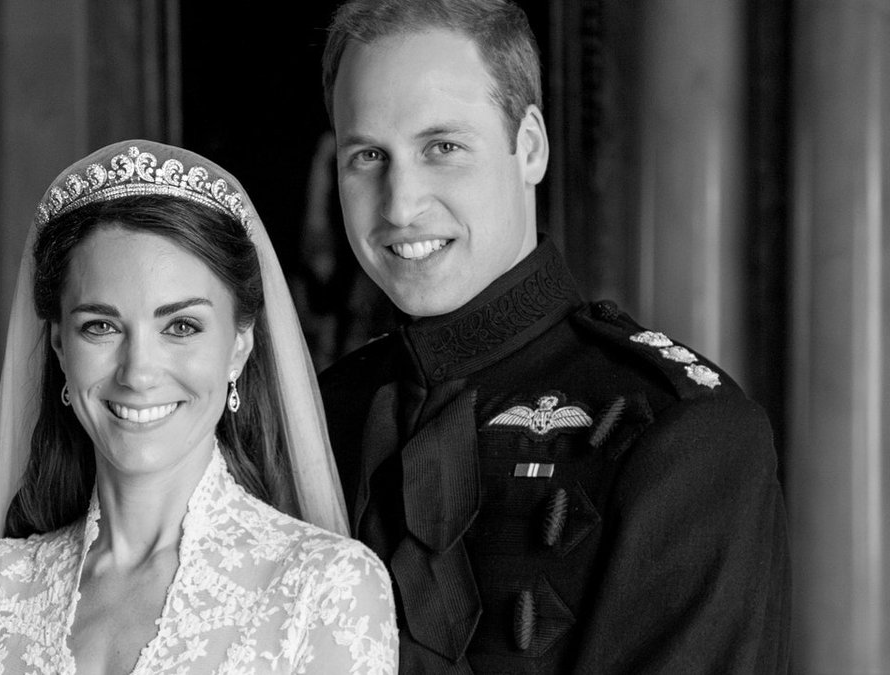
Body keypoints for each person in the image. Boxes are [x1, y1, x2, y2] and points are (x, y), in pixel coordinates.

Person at [317, 1, 791, 672]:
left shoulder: (684, 432)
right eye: (367, 156)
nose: (399, 204)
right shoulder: (320, 414)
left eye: (443, 148)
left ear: (530, 145)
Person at [0, 140, 398, 674]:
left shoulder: (326, 588)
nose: (139, 373)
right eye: (100, 327)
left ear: (239, 345)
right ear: (58, 345)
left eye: (181, 327)